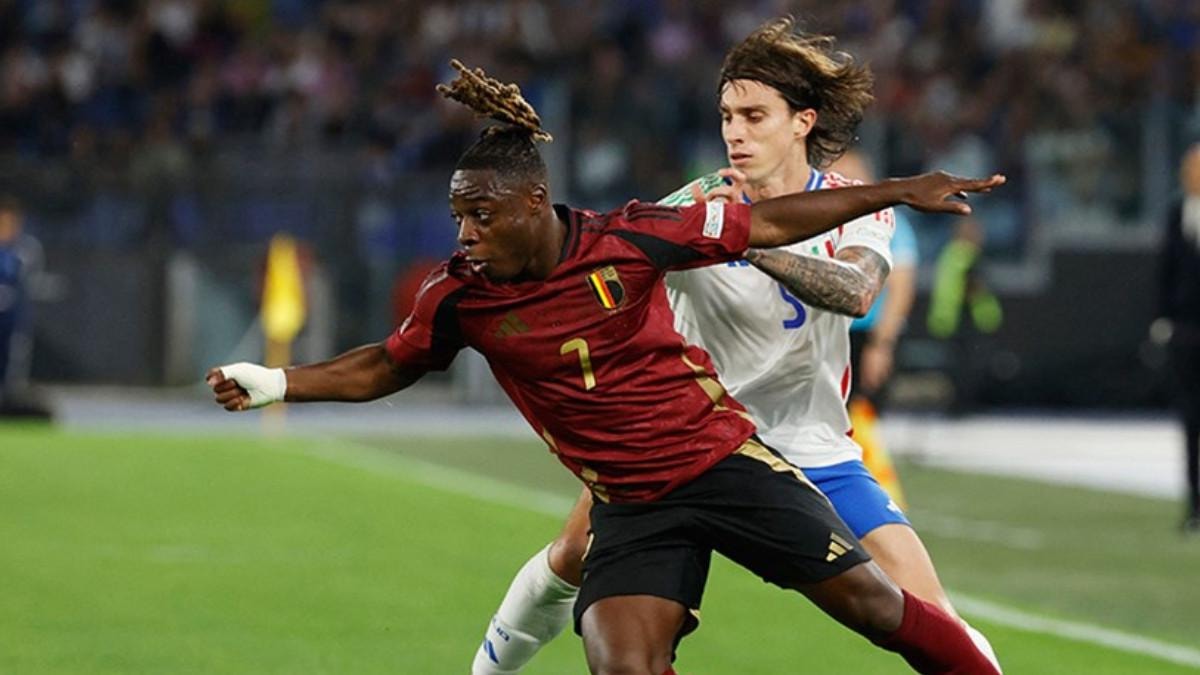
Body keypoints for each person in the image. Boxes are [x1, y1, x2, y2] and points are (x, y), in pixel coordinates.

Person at [208, 60, 1004, 675]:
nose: (464, 235)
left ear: (533, 203)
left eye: (479, 215)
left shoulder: (638, 235)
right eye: (458, 216)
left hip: (743, 455)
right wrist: (278, 382)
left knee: (888, 608)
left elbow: (807, 254)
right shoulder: (465, 293)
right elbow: (387, 363)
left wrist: (900, 190)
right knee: (607, 635)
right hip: (634, 496)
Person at [473, 20, 999, 675]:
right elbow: (598, 263)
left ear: (802, 122)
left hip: (810, 444)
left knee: (929, 611)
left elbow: (856, 291)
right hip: (687, 441)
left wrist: (745, 241)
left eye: (754, 116)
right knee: (570, 556)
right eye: (727, 116)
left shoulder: (854, 208)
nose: (735, 132)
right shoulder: (691, 206)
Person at [837, 149, 919, 510]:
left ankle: (873, 503)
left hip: (864, 335)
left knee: (859, 418)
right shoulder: (824, 217)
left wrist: (881, 344)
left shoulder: (885, 221)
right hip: (828, 332)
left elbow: (901, 285)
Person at [1156, 143, 1200, 534]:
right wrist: (1162, 319)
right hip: (1186, 329)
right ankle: (1194, 503)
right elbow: (1165, 271)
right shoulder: (1176, 214)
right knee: (1190, 419)